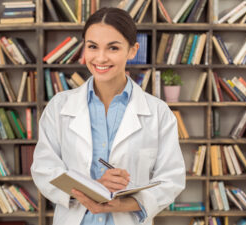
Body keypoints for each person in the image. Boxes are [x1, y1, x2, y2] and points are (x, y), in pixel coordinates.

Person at [31, 7, 185, 225]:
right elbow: (44, 170)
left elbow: (172, 179)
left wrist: (124, 204)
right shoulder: (60, 107)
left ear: (132, 50)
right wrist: (91, 188)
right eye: (93, 47)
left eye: (113, 47)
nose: (100, 58)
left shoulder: (158, 113)